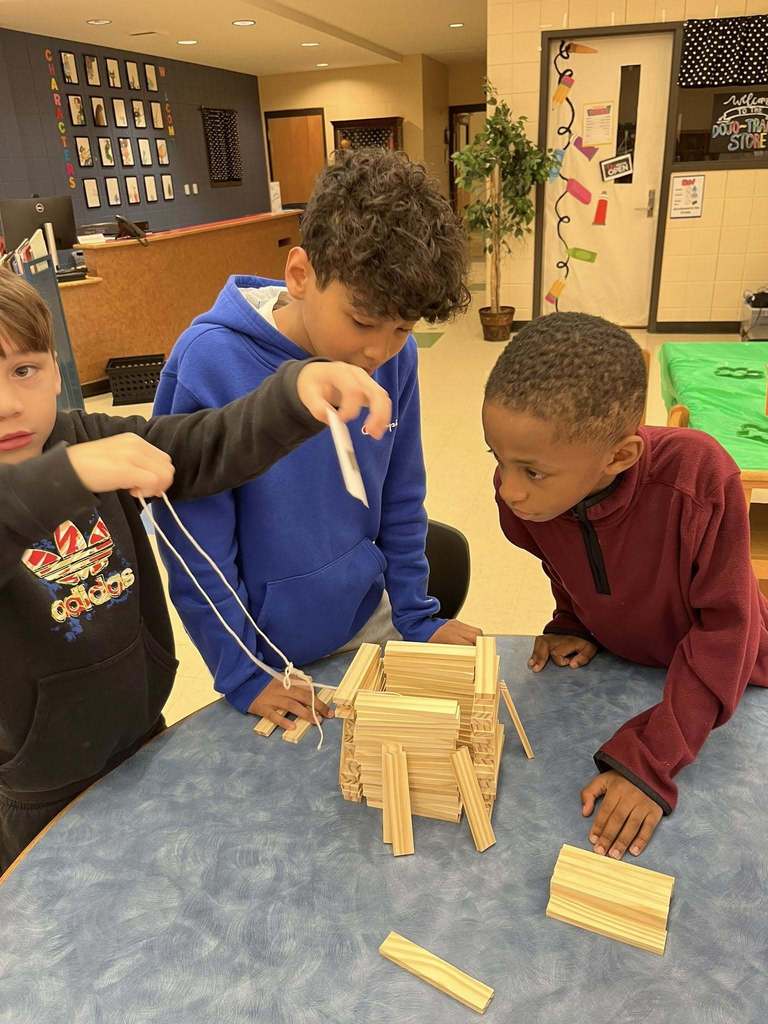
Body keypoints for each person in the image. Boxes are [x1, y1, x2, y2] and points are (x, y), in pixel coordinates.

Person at [0, 267, 392, 872]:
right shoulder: (76, 460)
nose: (7, 404)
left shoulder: (83, 435)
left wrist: (292, 394)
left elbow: (201, 445)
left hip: (143, 739)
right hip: (37, 791)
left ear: (55, 368)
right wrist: (68, 476)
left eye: (22, 370)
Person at [153, 148, 482, 731]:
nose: (380, 350)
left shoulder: (393, 356)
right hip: (267, 655)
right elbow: (193, 546)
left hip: (370, 616)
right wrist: (244, 672)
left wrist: (416, 614)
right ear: (300, 275)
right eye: (362, 322)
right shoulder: (209, 362)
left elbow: (402, 496)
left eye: (403, 328)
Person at [483, 311, 768, 860]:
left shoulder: (700, 478)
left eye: (530, 472)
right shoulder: (526, 495)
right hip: (626, 659)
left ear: (619, 457)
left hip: (733, 675)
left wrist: (649, 760)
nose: (508, 488)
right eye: (497, 458)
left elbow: (728, 632)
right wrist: (574, 619)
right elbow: (561, 560)